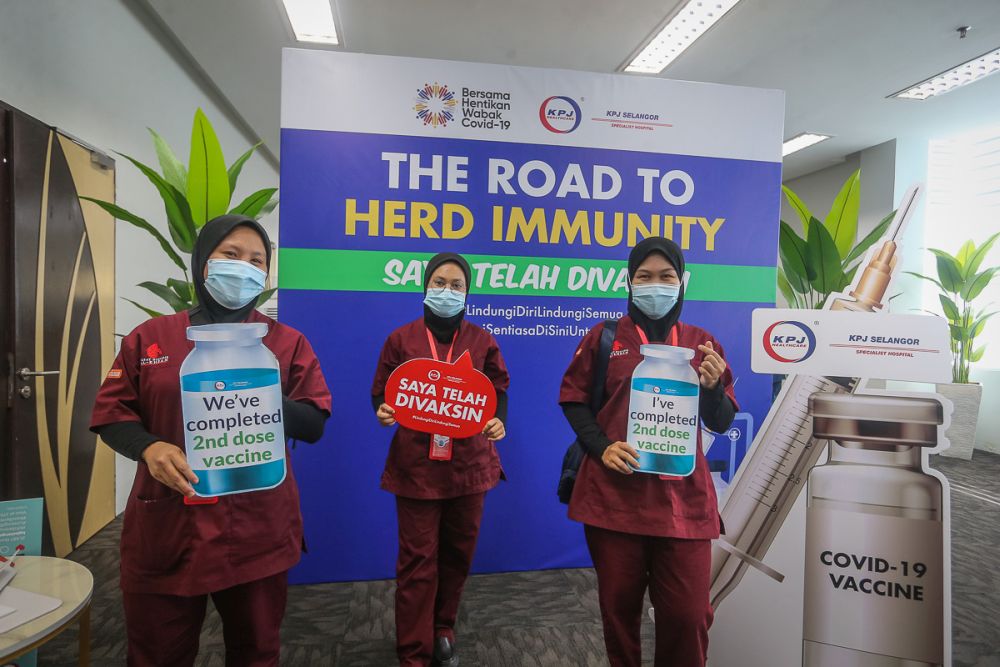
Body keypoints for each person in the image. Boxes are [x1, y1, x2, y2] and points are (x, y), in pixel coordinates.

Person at [90, 214, 331, 667]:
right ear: (204, 262)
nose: (243, 268)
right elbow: (111, 415)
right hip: (170, 524)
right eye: (231, 255)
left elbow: (313, 423)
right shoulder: (152, 338)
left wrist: (261, 395)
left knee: (256, 652)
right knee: (158, 654)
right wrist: (149, 447)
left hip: (256, 525)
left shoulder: (284, 344)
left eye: (256, 260)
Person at [558, 237, 737, 667]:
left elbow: (722, 420)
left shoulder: (702, 343)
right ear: (629, 281)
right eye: (644, 277)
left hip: (683, 501)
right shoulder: (605, 338)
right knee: (619, 613)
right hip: (615, 499)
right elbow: (573, 399)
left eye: (666, 277)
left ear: (681, 282)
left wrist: (712, 388)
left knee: (689, 615)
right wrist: (601, 448)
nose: (655, 286)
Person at [371, 252, 510, 667]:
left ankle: (442, 627)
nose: (446, 291)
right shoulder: (401, 339)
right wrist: (383, 410)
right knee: (417, 561)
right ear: (425, 286)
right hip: (417, 469)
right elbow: (382, 392)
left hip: (470, 467)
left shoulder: (482, 340)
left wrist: (498, 420)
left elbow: (498, 389)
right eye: (439, 283)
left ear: (467, 293)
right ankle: (413, 651)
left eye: (456, 285)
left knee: (458, 554)